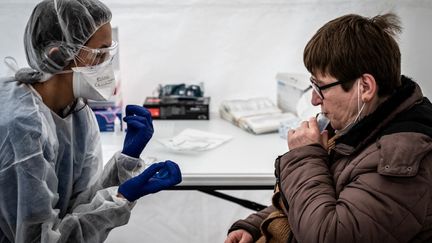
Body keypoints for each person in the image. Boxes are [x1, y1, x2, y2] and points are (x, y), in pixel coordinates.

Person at [225, 12, 432, 243]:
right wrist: (254, 226)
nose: (314, 100)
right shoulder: (361, 125)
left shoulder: (401, 159)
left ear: (365, 87)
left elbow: (329, 235)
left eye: (321, 87)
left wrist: (304, 157)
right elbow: (322, 195)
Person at [0, 0, 182, 242]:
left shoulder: (76, 111)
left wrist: (125, 162)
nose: (107, 66)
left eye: (110, 53)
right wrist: (120, 199)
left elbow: (81, 204)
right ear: (58, 56)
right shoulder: (20, 126)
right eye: (100, 54)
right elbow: (37, 239)